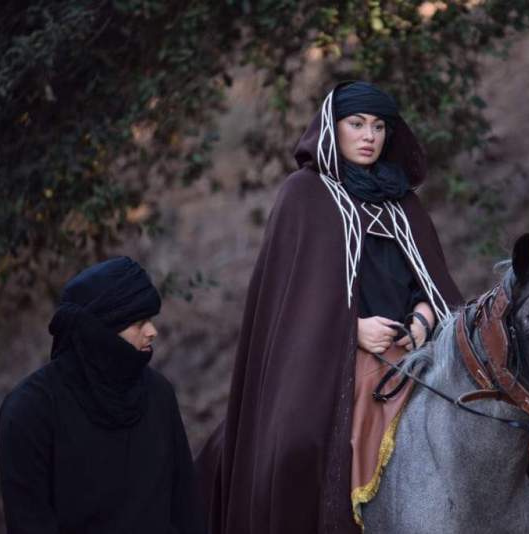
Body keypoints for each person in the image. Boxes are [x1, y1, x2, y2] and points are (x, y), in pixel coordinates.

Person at [195, 81, 463, 534]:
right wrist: (352, 330)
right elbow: (291, 300)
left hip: (416, 350)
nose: (369, 136)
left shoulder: (403, 201)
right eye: (356, 124)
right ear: (331, 128)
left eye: (379, 127)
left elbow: (429, 281)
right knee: (297, 444)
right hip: (328, 358)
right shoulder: (304, 195)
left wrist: (423, 317)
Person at [0, 256, 205, 534]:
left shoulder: (158, 393)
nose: (152, 331)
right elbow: (30, 523)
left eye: (150, 319)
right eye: (138, 322)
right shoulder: (29, 413)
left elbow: (187, 512)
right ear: (98, 331)